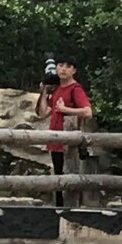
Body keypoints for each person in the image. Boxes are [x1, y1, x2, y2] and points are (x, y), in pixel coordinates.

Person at [36, 55, 92, 206]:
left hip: (69, 143)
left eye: (68, 66)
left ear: (74, 70)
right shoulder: (57, 89)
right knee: (58, 179)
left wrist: (65, 109)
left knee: (69, 181)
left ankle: (69, 211)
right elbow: (43, 113)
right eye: (60, 65)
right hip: (55, 141)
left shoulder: (75, 89)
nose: (63, 69)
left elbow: (88, 112)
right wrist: (44, 91)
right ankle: (59, 210)